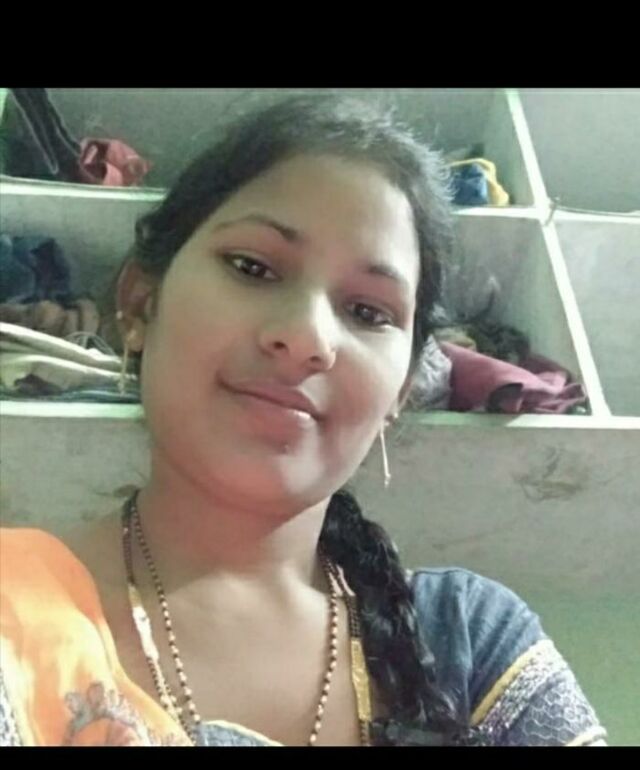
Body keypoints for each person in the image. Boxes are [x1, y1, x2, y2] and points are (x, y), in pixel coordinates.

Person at [0, 95, 607, 747]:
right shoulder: (14, 615)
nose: (307, 338)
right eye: (253, 268)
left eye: (369, 312)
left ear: (402, 388)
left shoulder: (471, 646)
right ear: (141, 303)